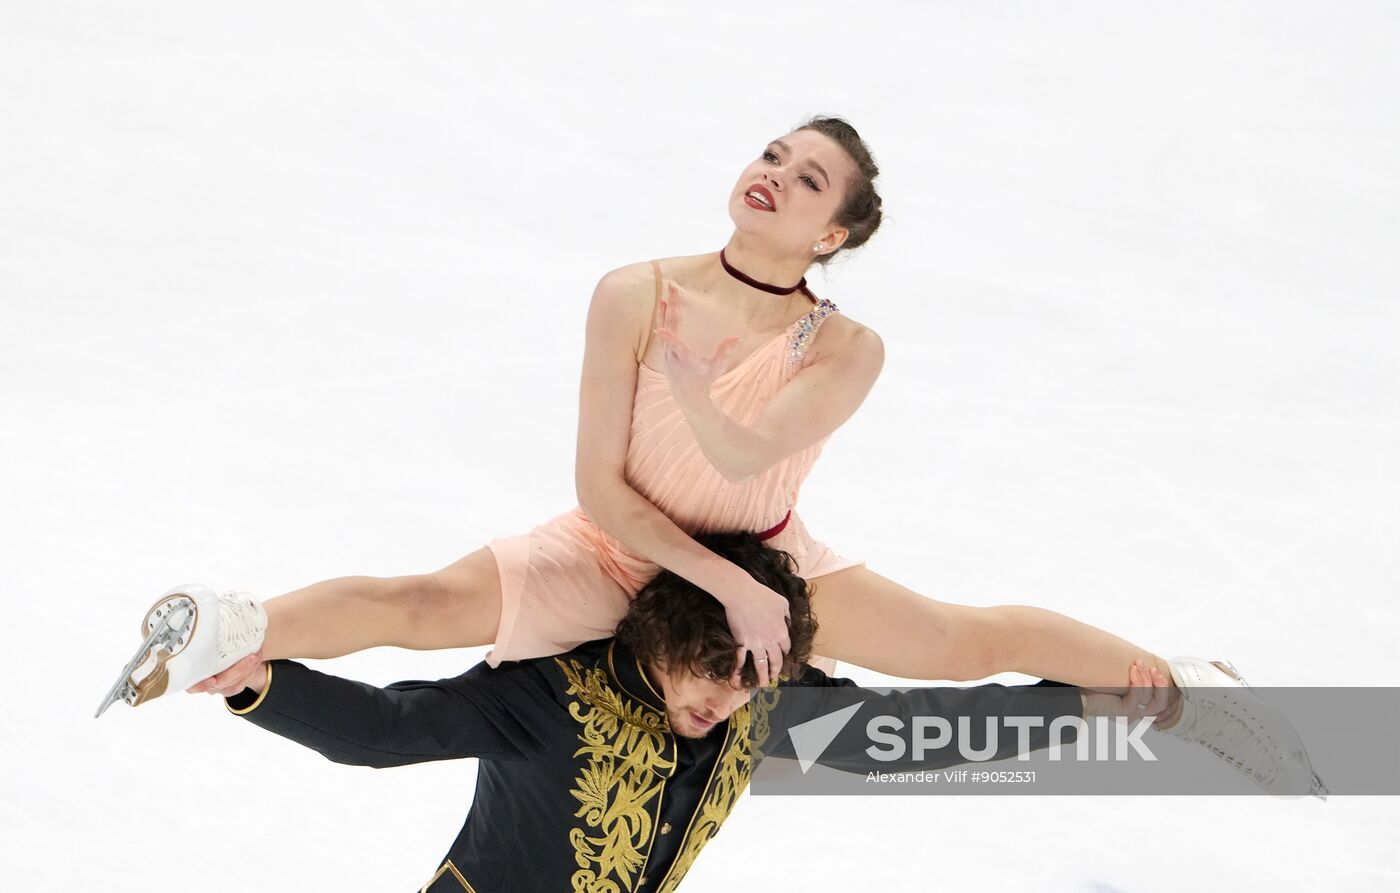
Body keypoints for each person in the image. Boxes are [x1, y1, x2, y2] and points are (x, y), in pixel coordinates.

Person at [98, 115, 1326, 799]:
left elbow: (756, 446)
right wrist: (722, 583)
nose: (771, 177)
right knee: (427, 601)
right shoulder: (632, 290)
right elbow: (597, 485)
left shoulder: (845, 347)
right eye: (773, 155)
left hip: (770, 547)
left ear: (833, 231)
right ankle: (225, 619)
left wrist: (745, 558)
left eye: (804, 181)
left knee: (964, 643)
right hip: (617, 541)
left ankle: (1173, 681)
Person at [199, 531, 1170, 892]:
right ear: (650, 639)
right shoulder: (546, 695)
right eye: (704, 680)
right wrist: (257, 682)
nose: (722, 703)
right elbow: (388, 730)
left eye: (744, 683)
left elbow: (911, 731)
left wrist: (1087, 707)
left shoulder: (754, 694)